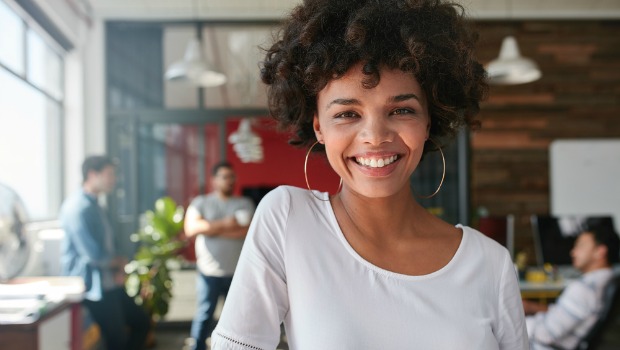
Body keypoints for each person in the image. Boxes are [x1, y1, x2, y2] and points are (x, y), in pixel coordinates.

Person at [210, 0, 528, 349]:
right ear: (319, 127)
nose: (375, 136)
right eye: (347, 114)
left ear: (428, 122)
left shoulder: (490, 265)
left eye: (401, 110)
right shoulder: (288, 221)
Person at [60, 155, 150, 350]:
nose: (114, 180)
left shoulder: (96, 205)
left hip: (109, 282)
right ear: (92, 175)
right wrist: (118, 263)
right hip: (92, 286)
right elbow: (92, 255)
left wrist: (118, 267)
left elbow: (110, 244)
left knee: (140, 322)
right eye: (109, 174)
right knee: (116, 338)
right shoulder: (78, 208)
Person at [184, 161, 256, 350]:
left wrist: (211, 229)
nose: (230, 181)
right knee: (204, 315)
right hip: (209, 273)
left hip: (237, 273)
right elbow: (191, 228)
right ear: (214, 180)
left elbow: (250, 231)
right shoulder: (201, 203)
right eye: (225, 177)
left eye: (232, 177)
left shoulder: (244, 203)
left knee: (238, 320)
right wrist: (226, 223)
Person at [523, 222, 620, 350]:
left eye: (580, 246)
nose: (573, 252)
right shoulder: (609, 281)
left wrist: (512, 321)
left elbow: (544, 334)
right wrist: (532, 307)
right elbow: (567, 314)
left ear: (600, 251)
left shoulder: (583, 290)